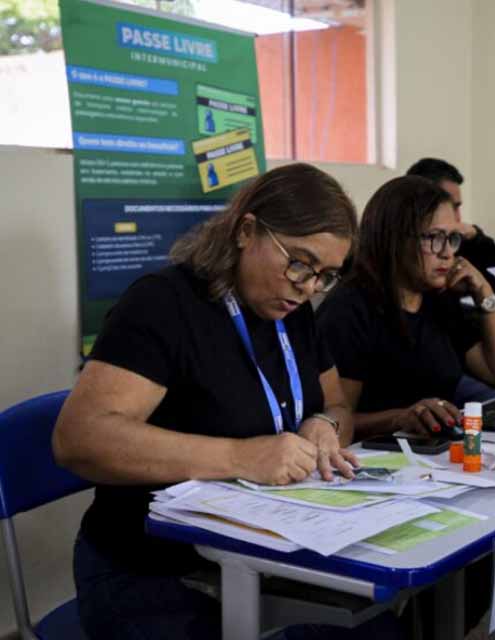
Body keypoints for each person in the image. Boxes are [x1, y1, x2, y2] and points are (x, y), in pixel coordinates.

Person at [53, 164, 397, 639]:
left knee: (382, 630)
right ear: (246, 230)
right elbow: (79, 438)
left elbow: (338, 405)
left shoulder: (291, 312)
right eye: (299, 263)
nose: (308, 286)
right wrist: (241, 456)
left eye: (326, 275)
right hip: (152, 566)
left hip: (269, 556)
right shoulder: (164, 305)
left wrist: (322, 424)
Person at [318, 174, 495, 437]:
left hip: (436, 452)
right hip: (376, 458)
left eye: (452, 238)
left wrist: (483, 292)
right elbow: (334, 423)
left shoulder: (437, 298)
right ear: (394, 239)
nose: (447, 252)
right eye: (434, 237)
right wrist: (400, 418)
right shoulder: (350, 309)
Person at [406, 157, 495, 297]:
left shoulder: (461, 240)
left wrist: (477, 238)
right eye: (451, 206)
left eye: (457, 207)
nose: (457, 217)